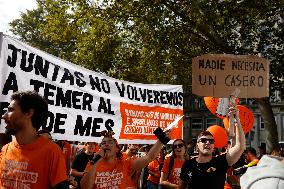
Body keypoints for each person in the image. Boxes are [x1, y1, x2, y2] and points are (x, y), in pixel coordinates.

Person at [0, 90, 69, 189]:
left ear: (28, 113)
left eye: (11, 110)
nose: (4, 116)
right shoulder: (5, 149)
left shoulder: (51, 152)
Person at [178, 105, 246, 189]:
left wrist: (237, 120)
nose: (207, 143)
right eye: (203, 140)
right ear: (197, 145)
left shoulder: (221, 162)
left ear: (214, 146)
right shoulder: (188, 164)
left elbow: (240, 147)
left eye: (211, 141)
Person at [80, 128, 172, 189]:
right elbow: (84, 187)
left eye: (110, 142)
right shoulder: (92, 164)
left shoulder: (124, 163)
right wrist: (95, 161)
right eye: (103, 143)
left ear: (117, 149)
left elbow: (148, 158)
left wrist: (161, 141)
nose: (106, 144)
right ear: (100, 148)